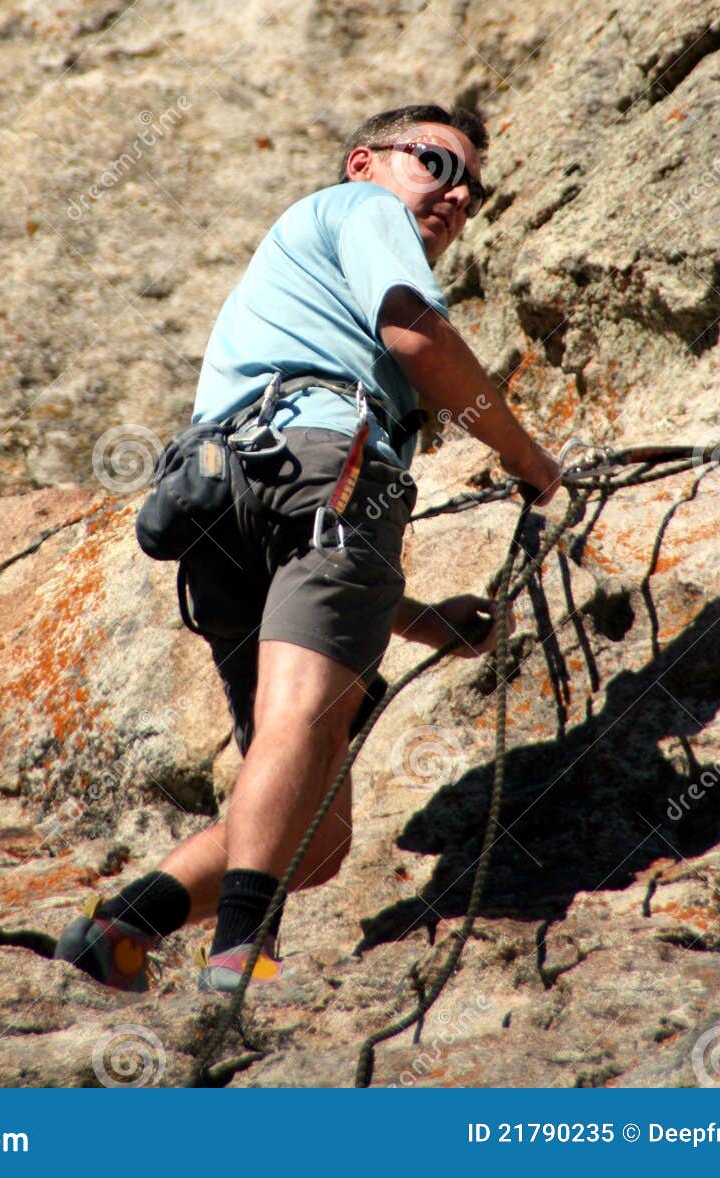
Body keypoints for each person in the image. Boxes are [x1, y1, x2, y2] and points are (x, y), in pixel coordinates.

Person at [54, 103, 561, 994]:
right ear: (364, 161)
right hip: (331, 465)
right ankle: (239, 959)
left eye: (471, 188)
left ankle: (119, 931)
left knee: (311, 832)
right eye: (436, 163)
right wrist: (526, 458)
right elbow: (416, 335)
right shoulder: (364, 211)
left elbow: (300, 555)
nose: (454, 193)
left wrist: (415, 620)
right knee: (299, 723)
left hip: (221, 501)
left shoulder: (295, 276)